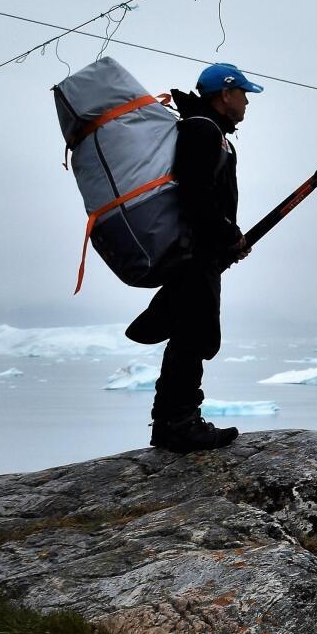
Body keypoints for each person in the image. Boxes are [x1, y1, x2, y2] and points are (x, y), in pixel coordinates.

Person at [124, 63, 263, 452]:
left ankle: (172, 420)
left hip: (195, 251)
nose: (247, 102)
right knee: (191, 334)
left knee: (190, 331)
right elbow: (195, 196)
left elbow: (201, 200)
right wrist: (227, 236)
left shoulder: (207, 130)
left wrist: (226, 241)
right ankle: (178, 423)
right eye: (244, 94)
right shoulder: (203, 131)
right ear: (225, 93)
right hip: (191, 255)